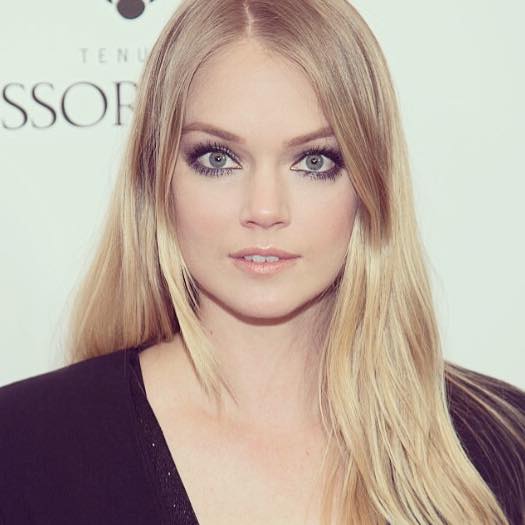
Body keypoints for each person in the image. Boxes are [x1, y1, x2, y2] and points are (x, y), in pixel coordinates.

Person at [0, 0, 524, 524]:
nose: (266, 209)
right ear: (157, 178)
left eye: (314, 161)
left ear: (370, 185)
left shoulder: (501, 440)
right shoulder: (23, 445)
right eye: (218, 159)